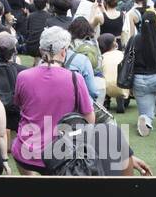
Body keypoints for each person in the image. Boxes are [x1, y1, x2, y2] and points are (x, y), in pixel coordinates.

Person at [11, 27, 94, 174]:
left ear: (40, 50)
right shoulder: (75, 79)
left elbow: (19, 104)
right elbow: (89, 118)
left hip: (26, 153)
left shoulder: (23, 76)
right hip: (61, 155)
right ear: (64, 51)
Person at [128, 8, 156, 137]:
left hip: (139, 81)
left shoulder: (134, 40)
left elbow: (128, 63)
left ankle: (146, 120)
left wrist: (130, 85)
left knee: (146, 114)